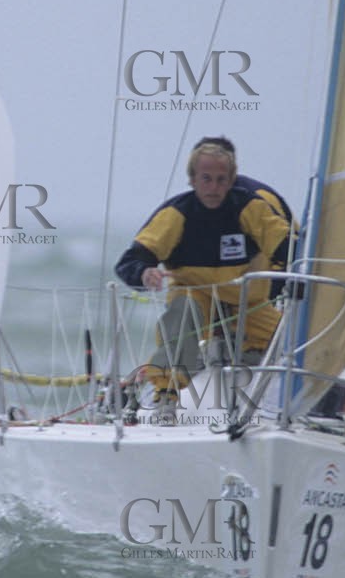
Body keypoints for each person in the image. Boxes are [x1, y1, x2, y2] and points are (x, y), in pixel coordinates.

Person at [114, 139, 294, 417]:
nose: (213, 188)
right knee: (181, 314)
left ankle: (266, 369)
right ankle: (166, 396)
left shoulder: (251, 206)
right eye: (206, 179)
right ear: (192, 180)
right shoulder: (175, 213)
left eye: (221, 180)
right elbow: (130, 260)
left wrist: (288, 277)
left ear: (232, 180)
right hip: (196, 293)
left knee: (294, 341)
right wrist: (144, 272)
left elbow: (288, 245)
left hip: (246, 301)